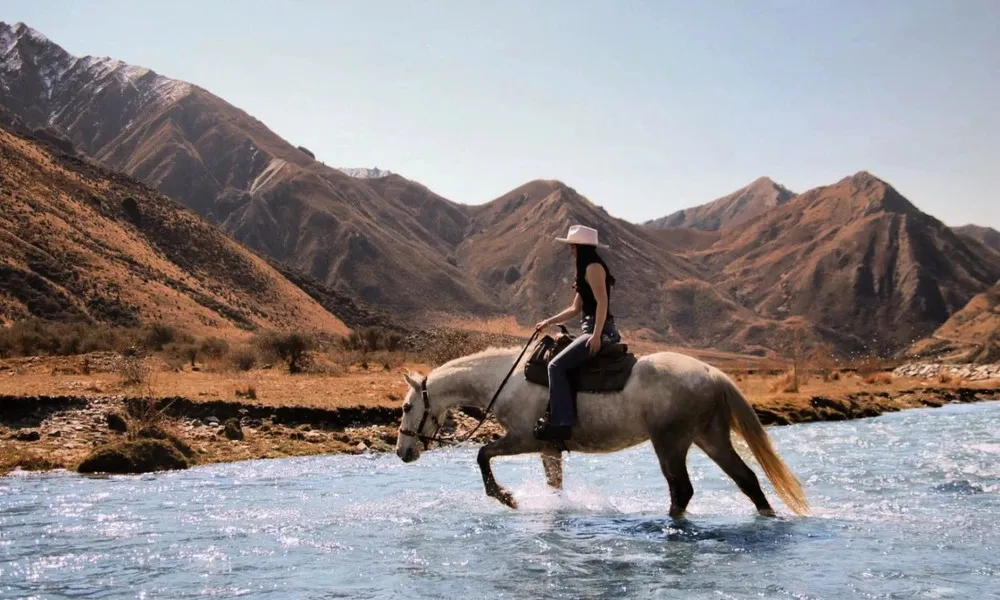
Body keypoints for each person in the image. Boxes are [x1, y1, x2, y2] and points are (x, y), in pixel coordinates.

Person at [533, 224, 621, 442]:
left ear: (578, 247)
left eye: (572, 246)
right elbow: (575, 309)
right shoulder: (585, 269)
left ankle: (561, 424)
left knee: (555, 366)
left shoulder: (593, 267)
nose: (571, 250)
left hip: (598, 329)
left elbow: (602, 302)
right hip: (591, 327)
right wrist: (548, 322)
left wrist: (597, 335)